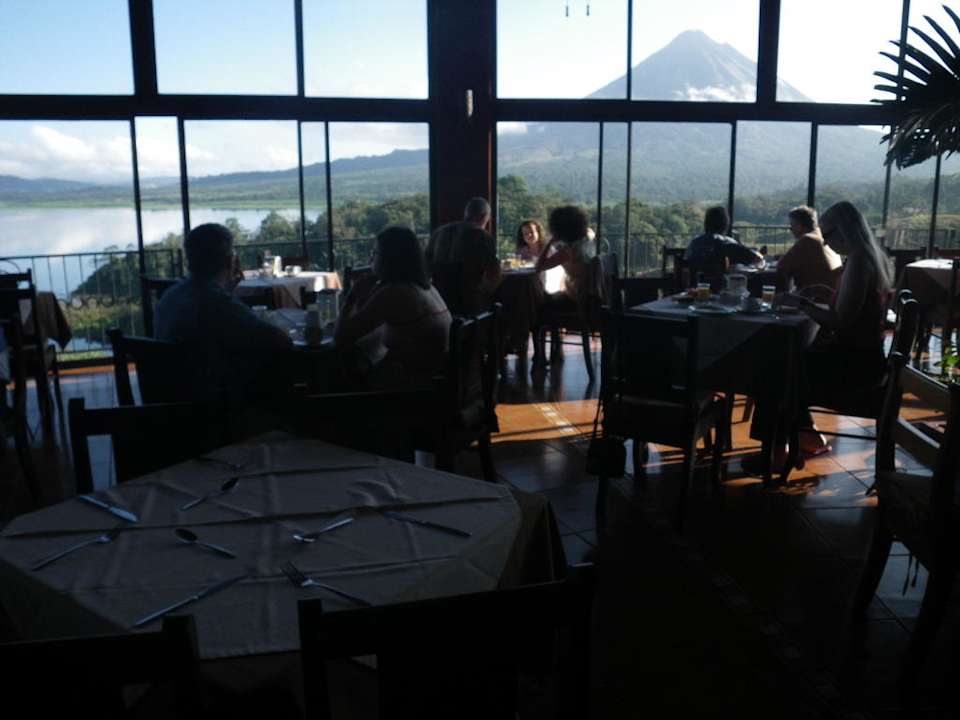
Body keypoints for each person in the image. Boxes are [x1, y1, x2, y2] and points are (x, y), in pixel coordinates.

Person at [749, 201, 893, 465]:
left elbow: (839, 322)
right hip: (869, 360)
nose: (825, 242)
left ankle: (776, 453)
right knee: (786, 363)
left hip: (853, 368)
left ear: (844, 231)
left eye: (828, 235)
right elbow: (856, 311)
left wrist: (801, 303)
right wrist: (828, 296)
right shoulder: (870, 258)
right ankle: (802, 439)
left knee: (774, 370)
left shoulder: (858, 264)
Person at [155, 223, 293, 400]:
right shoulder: (217, 302)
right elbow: (281, 341)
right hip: (215, 406)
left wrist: (227, 290)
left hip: (173, 401)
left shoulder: (170, 296)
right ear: (229, 261)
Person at [335, 226, 452, 388]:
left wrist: (352, 295)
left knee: (339, 369)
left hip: (414, 386)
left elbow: (341, 336)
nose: (371, 259)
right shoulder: (426, 287)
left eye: (375, 253)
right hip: (436, 377)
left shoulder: (394, 292)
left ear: (388, 259)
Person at [426, 197, 501, 311]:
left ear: (466, 214)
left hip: (439, 300)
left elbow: (426, 266)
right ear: (485, 216)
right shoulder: (481, 235)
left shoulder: (438, 232)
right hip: (469, 301)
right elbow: (494, 272)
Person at [776, 205, 842, 293]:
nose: (790, 229)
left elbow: (781, 266)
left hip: (816, 297)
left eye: (792, 225)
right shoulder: (823, 236)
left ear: (800, 225)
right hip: (833, 294)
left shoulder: (807, 239)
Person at [684, 206, 764, 276]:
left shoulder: (694, 243)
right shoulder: (728, 243)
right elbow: (756, 259)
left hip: (696, 286)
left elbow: (686, 263)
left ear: (706, 223)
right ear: (726, 224)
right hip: (723, 286)